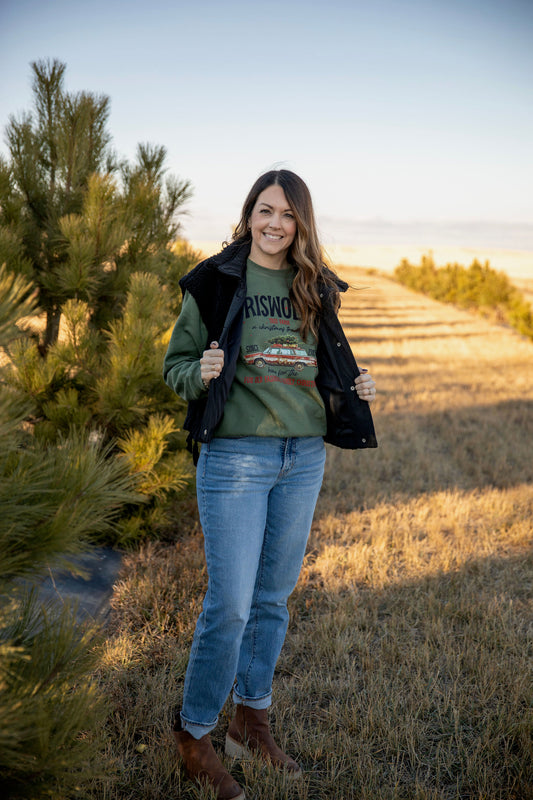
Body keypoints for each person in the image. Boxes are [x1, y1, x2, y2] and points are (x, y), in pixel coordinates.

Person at [163, 169, 377, 800]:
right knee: (229, 604)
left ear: (300, 223)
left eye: (288, 214)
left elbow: (327, 365)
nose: (275, 224)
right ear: (249, 214)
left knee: (272, 599)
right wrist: (200, 371)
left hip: (302, 457)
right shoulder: (214, 281)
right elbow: (175, 366)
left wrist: (358, 388)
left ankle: (250, 722)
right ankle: (194, 734)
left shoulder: (315, 286)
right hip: (235, 458)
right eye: (265, 210)